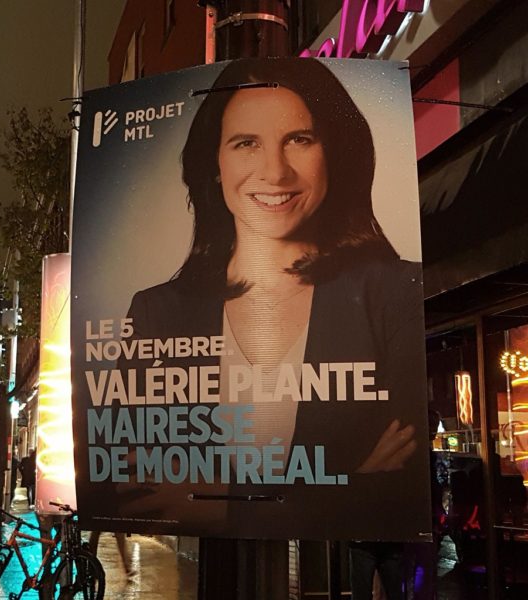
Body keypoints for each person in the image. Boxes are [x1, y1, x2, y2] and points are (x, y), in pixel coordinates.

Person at [107, 58, 429, 539]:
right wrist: (350, 483)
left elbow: (401, 493)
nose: (275, 171)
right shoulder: (158, 311)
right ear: (213, 164)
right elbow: (133, 484)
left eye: (300, 139)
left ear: (334, 153)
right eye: (246, 143)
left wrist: (220, 504)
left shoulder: (395, 292)